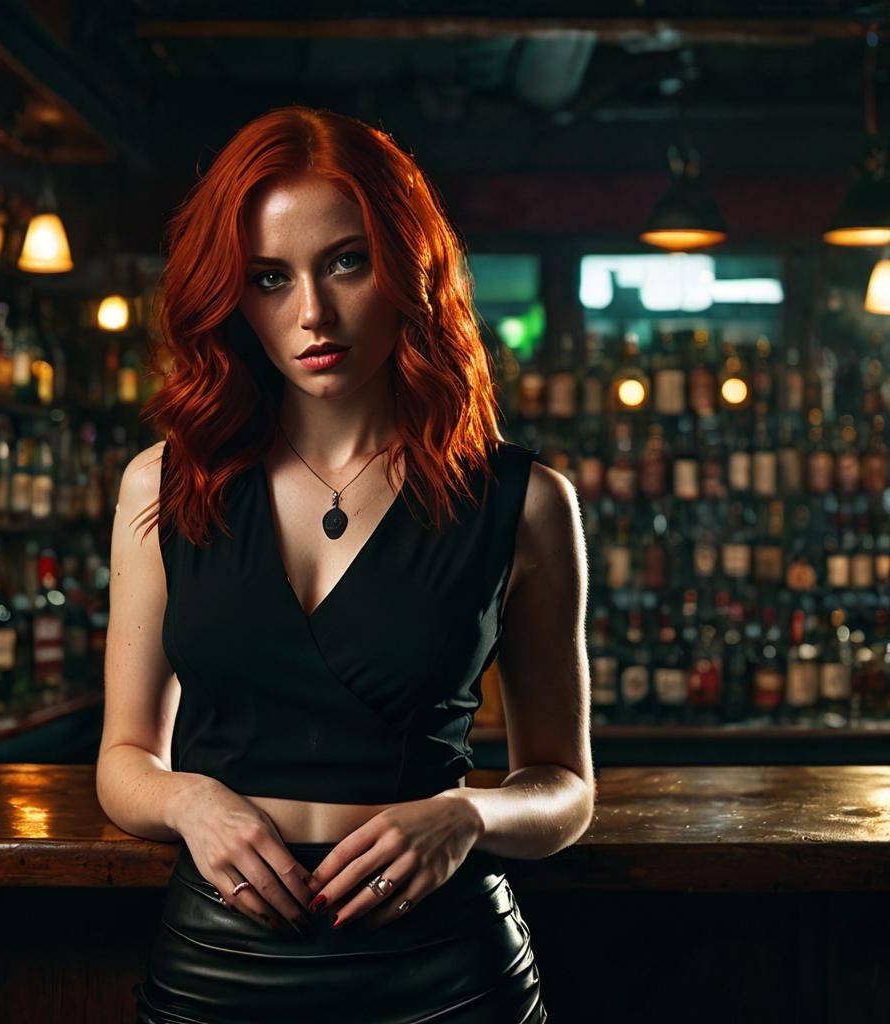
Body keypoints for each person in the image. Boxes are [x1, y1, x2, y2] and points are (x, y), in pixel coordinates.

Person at [97, 104, 595, 1024]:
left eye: (345, 263)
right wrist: (191, 803)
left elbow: (564, 789)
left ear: (409, 267)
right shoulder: (163, 487)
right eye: (270, 279)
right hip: (220, 963)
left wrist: (471, 814)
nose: (312, 314)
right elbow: (124, 758)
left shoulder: (524, 503)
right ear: (232, 296)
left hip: (444, 966)